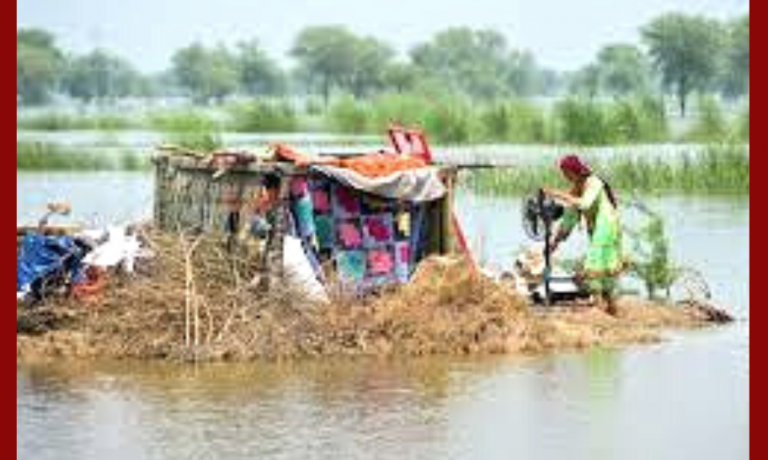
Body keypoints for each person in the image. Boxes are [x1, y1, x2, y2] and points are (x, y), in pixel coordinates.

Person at [543, 154, 624, 315]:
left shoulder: (593, 182)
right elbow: (569, 220)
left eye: (566, 173)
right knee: (604, 266)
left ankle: (600, 308)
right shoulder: (576, 189)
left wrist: (557, 194)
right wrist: (554, 243)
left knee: (595, 264)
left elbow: (585, 203)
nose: (566, 177)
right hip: (597, 228)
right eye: (564, 174)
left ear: (575, 171)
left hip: (607, 225)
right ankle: (612, 309)